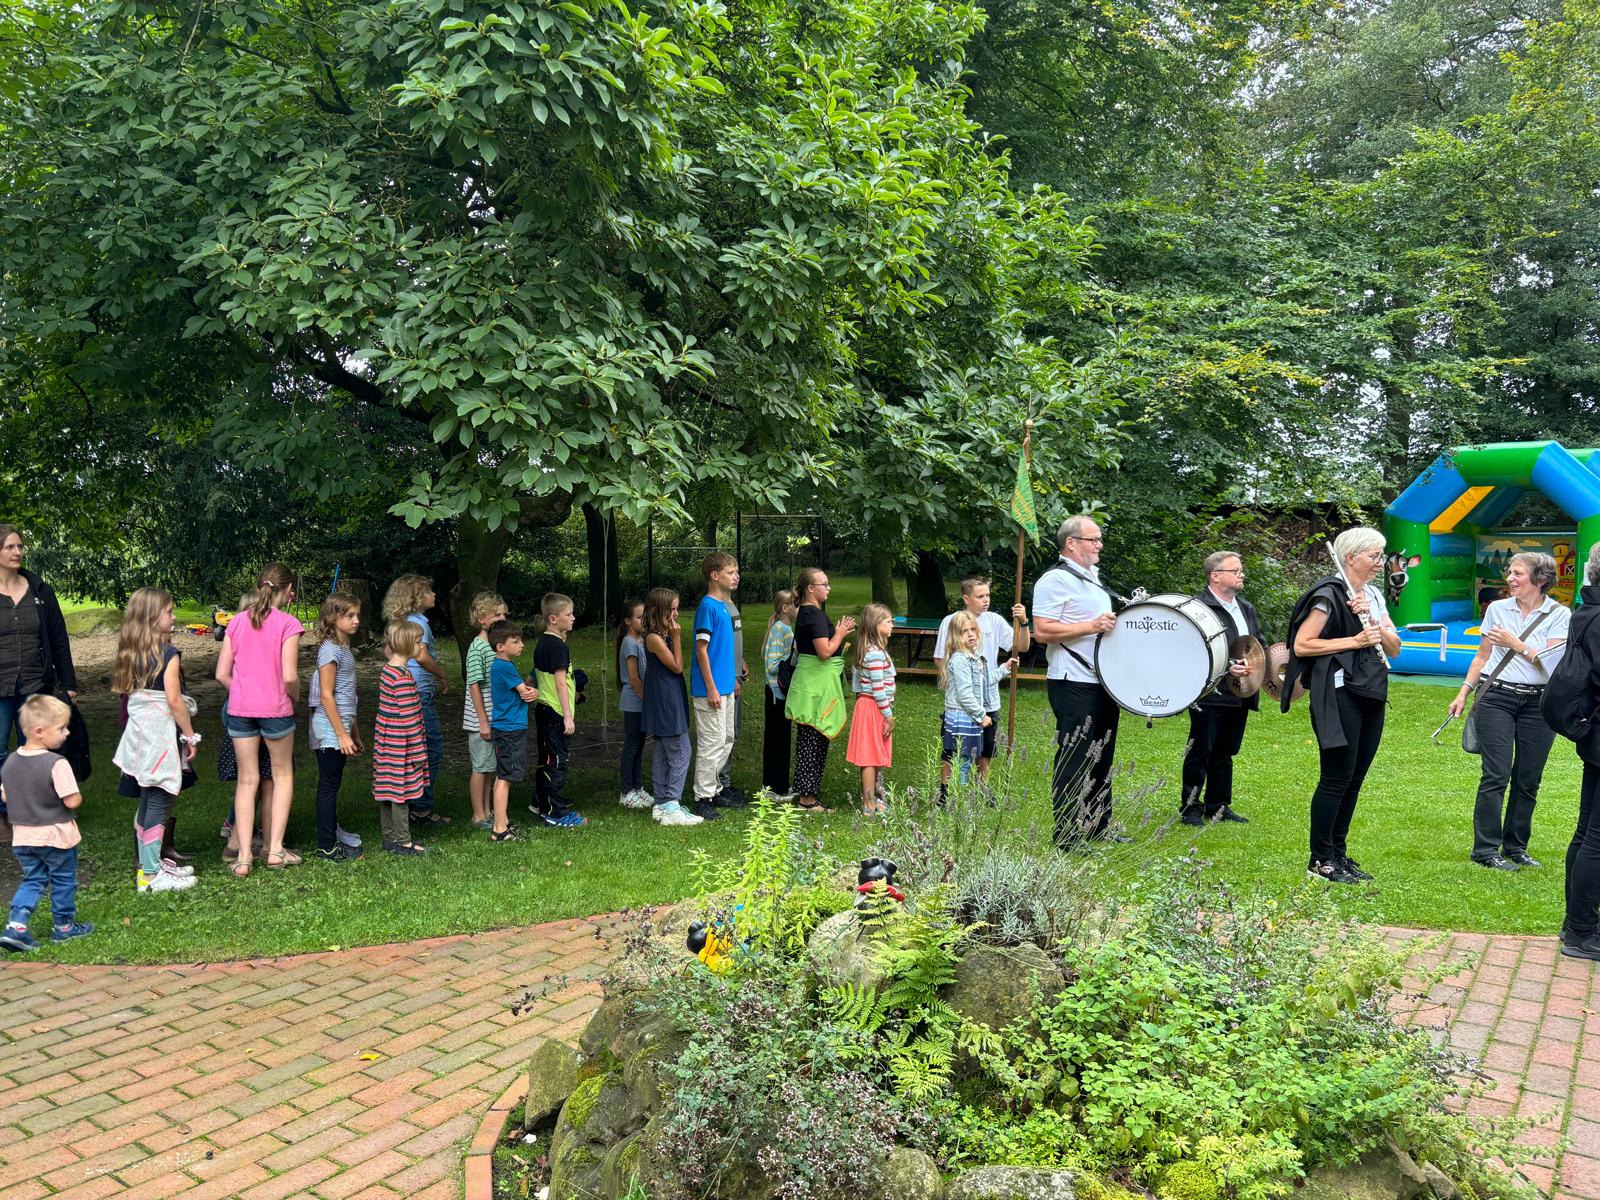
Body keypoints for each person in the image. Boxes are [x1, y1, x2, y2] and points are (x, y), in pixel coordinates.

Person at [1281, 526, 1400, 884]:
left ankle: (1338, 853)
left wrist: (1374, 621)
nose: (1380, 562)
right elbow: (1302, 645)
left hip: (1370, 690)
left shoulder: (1373, 596)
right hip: (1337, 693)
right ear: (1351, 557)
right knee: (1336, 778)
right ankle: (1320, 860)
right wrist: (1355, 640)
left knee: (1355, 778)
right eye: (1374, 555)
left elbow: (1394, 648)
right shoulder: (1329, 595)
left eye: (1381, 555)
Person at [1449, 552, 1568, 872]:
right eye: (1509, 572)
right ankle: (1485, 850)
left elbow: (1552, 665)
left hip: (1538, 704)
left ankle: (1516, 847)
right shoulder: (1498, 610)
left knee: (1528, 778)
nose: (1509, 579)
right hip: (1496, 698)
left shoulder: (1559, 614)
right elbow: (1482, 657)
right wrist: (1463, 693)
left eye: (1517, 574)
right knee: (1496, 774)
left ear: (1540, 580)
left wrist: (1517, 644)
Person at [1031, 516, 1126, 849]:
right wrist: (1092, 625)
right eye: (1093, 539)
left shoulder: (1092, 577)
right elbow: (1042, 630)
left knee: (1102, 755)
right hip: (1072, 681)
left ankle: (1098, 825)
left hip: (1101, 681)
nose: (1099, 545)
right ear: (1071, 543)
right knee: (1075, 756)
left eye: (1099, 539)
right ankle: (1067, 833)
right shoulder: (1055, 580)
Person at [215, 564, 303, 873]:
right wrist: (295, 696)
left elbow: (221, 673)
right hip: (275, 709)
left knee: (246, 780)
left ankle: (243, 858)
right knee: (282, 776)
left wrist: (243, 692)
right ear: (289, 591)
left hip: (240, 711)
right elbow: (290, 675)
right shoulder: (288, 624)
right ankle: (275, 850)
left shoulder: (237, 622)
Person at [112, 588, 200, 892]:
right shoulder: (168, 654)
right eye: (169, 612)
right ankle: (151, 876)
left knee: (148, 797)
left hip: (140, 740)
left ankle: (148, 866)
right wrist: (189, 735)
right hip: (160, 740)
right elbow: (175, 701)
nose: (174, 617)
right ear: (152, 618)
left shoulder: (132, 653)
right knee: (161, 798)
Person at [0, 524, 78, 828]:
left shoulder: (40, 590)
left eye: (20, 546)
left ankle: (31, 808)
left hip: (35, 684)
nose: (17, 552)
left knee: (34, 751)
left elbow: (58, 639)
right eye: (9, 547)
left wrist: (68, 683)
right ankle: (5, 807)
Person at [1181, 551, 1266, 827]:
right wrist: (1227, 666)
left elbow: (1258, 642)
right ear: (1215, 576)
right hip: (1211, 691)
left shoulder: (1246, 608)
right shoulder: (1197, 608)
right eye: (1235, 571)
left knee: (1227, 750)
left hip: (1241, 690)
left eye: (1241, 570)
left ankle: (1218, 805)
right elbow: (1190, 649)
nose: (1242, 575)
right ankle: (1190, 807)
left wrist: (1261, 662)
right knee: (1200, 750)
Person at [0, 695, 91, 950]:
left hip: (23, 837)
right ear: (39, 731)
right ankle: (64, 926)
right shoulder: (56, 763)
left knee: (33, 878)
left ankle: (16, 926)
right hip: (55, 836)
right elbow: (71, 801)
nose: (67, 732)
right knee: (63, 879)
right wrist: (76, 797)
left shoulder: (10, 762)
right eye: (61, 728)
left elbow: (5, 796)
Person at [932, 576, 1030, 793]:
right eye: (980, 596)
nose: (986, 600)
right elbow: (940, 658)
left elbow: (1021, 647)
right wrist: (956, 683)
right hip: (962, 705)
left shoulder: (994, 620)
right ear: (966, 598)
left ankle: (981, 790)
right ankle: (945, 792)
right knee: (954, 749)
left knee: (985, 748)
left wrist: (1023, 622)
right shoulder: (951, 622)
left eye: (988, 595)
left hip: (988, 699)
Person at [785, 568, 856, 813]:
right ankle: (806, 800)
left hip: (811, 684)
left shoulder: (807, 613)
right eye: (824, 584)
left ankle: (809, 795)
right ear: (810, 588)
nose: (828, 588)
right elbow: (824, 651)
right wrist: (840, 633)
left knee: (813, 737)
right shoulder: (813, 615)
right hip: (814, 687)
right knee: (812, 739)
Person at [382, 575, 450, 827]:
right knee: (431, 749)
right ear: (417, 597)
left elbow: (388, 651)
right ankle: (421, 809)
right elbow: (422, 656)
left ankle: (410, 803)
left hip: (408, 689)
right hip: (419, 692)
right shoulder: (419, 622)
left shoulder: (400, 621)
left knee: (410, 749)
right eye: (429, 591)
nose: (434, 594)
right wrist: (442, 674)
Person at [1560, 543, 1600, 961]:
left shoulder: (1586, 611)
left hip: (1593, 733)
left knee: (1587, 830)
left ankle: (1576, 923)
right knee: (1596, 837)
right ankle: (1582, 931)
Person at [309, 593, 365, 864]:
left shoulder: (344, 648)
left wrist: (354, 732)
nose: (356, 620)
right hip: (329, 727)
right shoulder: (329, 650)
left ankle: (332, 832)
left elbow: (348, 695)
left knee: (334, 782)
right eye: (349, 615)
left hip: (341, 726)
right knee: (329, 785)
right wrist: (341, 734)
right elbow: (326, 695)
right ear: (333, 618)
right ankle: (326, 847)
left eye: (357, 615)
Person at [642, 587, 701, 827]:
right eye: (672, 609)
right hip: (665, 699)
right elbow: (677, 666)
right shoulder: (654, 638)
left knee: (663, 751)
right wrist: (677, 638)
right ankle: (672, 804)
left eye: (677, 609)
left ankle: (661, 802)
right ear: (657, 610)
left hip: (667, 695)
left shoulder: (660, 635)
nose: (676, 614)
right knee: (681, 750)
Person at [692, 553, 745, 818]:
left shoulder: (725, 606)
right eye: (730, 572)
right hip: (710, 689)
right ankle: (702, 797)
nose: (736, 577)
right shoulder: (708, 607)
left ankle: (715, 789)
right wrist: (711, 687)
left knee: (726, 738)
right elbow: (701, 649)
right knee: (711, 743)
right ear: (714, 575)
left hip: (725, 686)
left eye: (736, 572)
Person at [527, 593, 585, 828]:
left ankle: (541, 801)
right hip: (555, 712)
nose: (573, 618)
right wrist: (568, 717)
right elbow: (560, 683)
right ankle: (555, 813)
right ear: (553, 618)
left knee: (547, 760)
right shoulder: (558, 646)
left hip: (545, 709)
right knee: (556, 763)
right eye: (568, 614)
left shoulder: (544, 642)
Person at [372, 621, 430, 856]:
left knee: (388, 788)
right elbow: (409, 719)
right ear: (406, 644)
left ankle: (390, 837)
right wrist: (418, 751)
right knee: (400, 792)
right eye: (418, 642)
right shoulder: (403, 677)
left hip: (388, 741)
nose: (421, 646)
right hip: (401, 744)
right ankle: (404, 842)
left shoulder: (389, 669)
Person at [941, 611, 1015, 790]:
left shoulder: (974, 657)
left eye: (973, 629)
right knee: (959, 759)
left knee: (966, 759)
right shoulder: (961, 659)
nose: (971, 634)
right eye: (964, 631)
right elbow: (965, 695)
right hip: (961, 716)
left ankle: (960, 796)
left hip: (969, 716)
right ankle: (952, 796)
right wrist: (982, 715)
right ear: (956, 636)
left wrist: (1004, 669)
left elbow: (983, 681)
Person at [488, 619, 538, 843]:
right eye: (515, 642)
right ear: (501, 647)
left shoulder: (502, 666)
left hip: (507, 727)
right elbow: (526, 693)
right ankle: (499, 829)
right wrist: (537, 692)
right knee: (505, 777)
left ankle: (503, 821)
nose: (521, 645)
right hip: (509, 728)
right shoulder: (505, 667)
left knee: (504, 775)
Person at [463, 591, 509, 831]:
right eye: (496, 615)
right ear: (481, 619)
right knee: (480, 767)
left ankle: (488, 810)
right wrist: (482, 721)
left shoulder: (493, 646)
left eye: (504, 614)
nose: (502, 618)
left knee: (490, 767)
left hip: (495, 717)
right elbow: (473, 684)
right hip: (480, 720)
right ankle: (478, 814)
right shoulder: (477, 647)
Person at [846, 604, 897, 815]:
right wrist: (888, 716)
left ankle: (873, 798)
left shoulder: (875, 650)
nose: (892, 625)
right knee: (869, 756)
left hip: (874, 707)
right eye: (888, 621)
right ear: (876, 625)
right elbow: (878, 689)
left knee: (875, 754)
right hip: (873, 708)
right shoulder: (874, 654)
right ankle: (868, 803)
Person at [616, 600, 653, 808]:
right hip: (633, 702)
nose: (643, 620)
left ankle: (637, 787)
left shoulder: (641, 640)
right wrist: (646, 701)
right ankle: (626, 791)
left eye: (644, 616)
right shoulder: (629, 643)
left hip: (641, 702)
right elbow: (634, 678)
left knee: (639, 746)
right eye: (639, 617)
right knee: (632, 745)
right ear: (628, 621)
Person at [760, 589, 797, 798]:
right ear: (785, 608)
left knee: (782, 738)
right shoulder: (780, 630)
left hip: (781, 692)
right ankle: (773, 788)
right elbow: (772, 664)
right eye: (795, 605)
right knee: (776, 740)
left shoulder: (784, 628)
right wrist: (791, 659)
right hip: (776, 692)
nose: (798, 608)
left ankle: (780, 784)